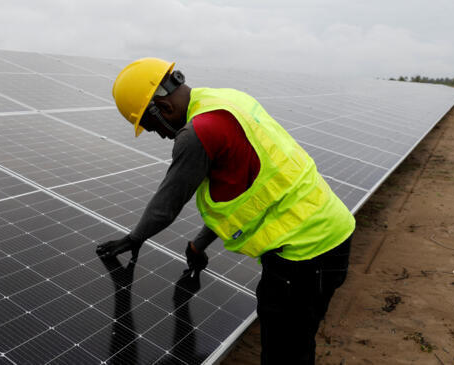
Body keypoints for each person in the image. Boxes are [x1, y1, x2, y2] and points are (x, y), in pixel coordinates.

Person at [95, 57, 355, 365]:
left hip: (303, 254)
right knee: (297, 339)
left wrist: (135, 238)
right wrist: (199, 244)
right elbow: (249, 191)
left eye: (152, 128)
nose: (162, 136)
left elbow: (166, 207)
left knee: (284, 352)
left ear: (163, 109)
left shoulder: (196, 134)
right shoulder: (228, 101)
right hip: (331, 233)